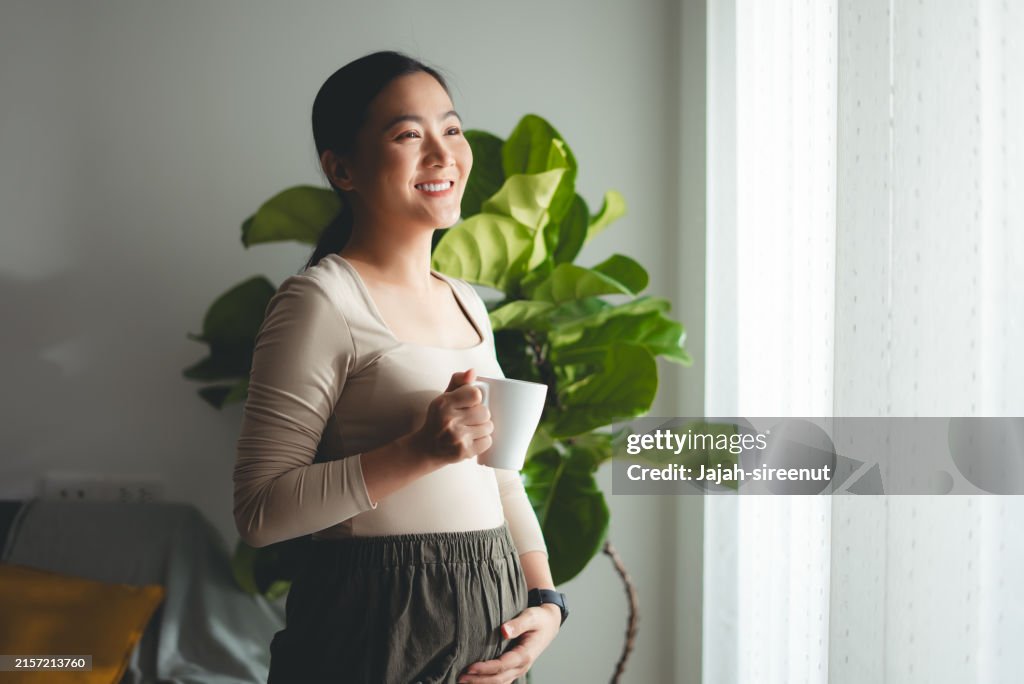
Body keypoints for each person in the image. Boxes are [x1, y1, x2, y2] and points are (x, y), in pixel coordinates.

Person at [233, 50, 566, 684]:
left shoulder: (467, 300)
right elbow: (259, 512)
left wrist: (546, 602)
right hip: (372, 626)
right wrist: (420, 451)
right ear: (342, 168)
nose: (443, 155)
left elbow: (502, 479)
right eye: (408, 135)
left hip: (493, 620)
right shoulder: (321, 300)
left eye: (452, 129)